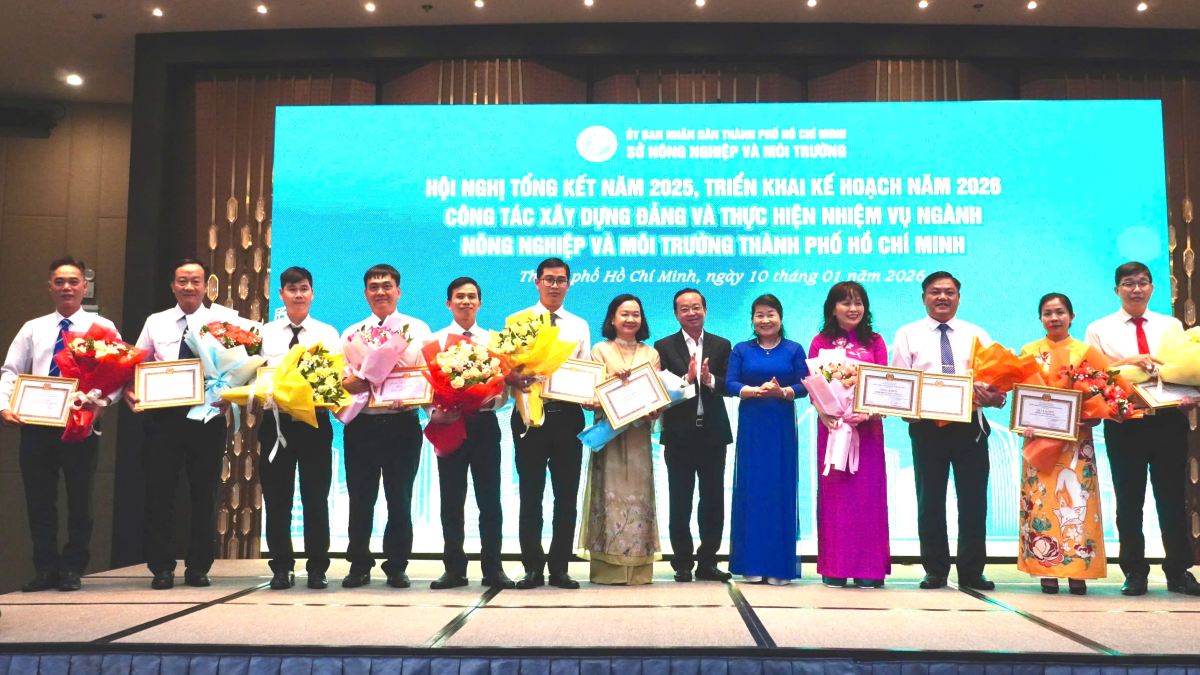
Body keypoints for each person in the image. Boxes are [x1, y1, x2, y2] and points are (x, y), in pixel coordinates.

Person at [0, 257, 118, 592]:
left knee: (80, 501)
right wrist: (4, 406)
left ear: (84, 286)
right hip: (36, 427)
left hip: (80, 425)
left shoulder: (103, 329)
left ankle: (72, 568)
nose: (67, 287)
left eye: (73, 281)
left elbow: (119, 375)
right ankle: (45, 568)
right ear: (50, 287)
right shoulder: (32, 328)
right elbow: (10, 372)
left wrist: (99, 403)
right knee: (40, 501)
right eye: (60, 282)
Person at [1084, 261, 1200, 596]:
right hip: (1125, 423)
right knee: (1129, 500)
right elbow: (1094, 376)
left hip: (1167, 422)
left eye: (1143, 283)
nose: (1136, 289)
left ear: (1152, 288)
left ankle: (1179, 571)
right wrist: (1128, 363)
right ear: (1116, 289)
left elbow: (1182, 370)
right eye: (1129, 283)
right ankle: (1135, 572)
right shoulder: (1099, 328)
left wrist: (1189, 396)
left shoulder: (1171, 325)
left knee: (1172, 499)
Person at [891, 271, 1005, 591]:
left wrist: (993, 395)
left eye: (950, 292)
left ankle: (971, 571)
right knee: (930, 501)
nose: (943, 297)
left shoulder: (977, 334)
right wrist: (904, 410)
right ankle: (935, 569)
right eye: (935, 292)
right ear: (924, 297)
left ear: (959, 297)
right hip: (927, 428)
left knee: (973, 501)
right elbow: (900, 383)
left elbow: (997, 384)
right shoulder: (908, 334)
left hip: (970, 426)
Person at [129, 257, 238, 590]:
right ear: (172, 285)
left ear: (206, 286)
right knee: (160, 493)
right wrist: (132, 391)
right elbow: (136, 362)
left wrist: (230, 394)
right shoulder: (156, 322)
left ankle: (198, 566)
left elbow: (240, 366)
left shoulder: (223, 321)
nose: (189, 286)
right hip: (163, 419)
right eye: (182, 280)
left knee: (204, 494)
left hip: (206, 417)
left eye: (195, 281)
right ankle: (161, 567)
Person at [339, 264, 432, 589]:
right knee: (360, 498)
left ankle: (397, 565)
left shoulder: (417, 328)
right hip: (362, 425)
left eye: (387, 285)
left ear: (398, 291)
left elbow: (428, 374)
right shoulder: (351, 333)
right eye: (374, 286)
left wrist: (412, 397)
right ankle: (358, 564)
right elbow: (343, 377)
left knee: (400, 497)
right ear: (365, 293)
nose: (380, 291)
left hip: (402, 424)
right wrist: (351, 382)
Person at [426, 277, 515, 590]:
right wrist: (434, 413)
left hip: (484, 424)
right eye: (459, 297)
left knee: (490, 500)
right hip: (449, 424)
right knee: (451, 500)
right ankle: (454, 569)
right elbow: (426, 388)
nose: (466, 301)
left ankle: (493, 567)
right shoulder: (435, 342)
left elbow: (505, 390)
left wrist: (494, 399)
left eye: (472, 297)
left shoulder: (494, 342)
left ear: (480, 303)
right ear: (449, 303)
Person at [257, 267, 341, 590]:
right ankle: (281, 566)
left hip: (315, 424)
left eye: (304, 288)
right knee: (277, 499)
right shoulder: (265, 334)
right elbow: (254, 375)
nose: (298, 294)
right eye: (291, 289)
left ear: (312, 293)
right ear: (281, 294)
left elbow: (334, 379)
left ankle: (317, 567)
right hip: (275, 425)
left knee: (315, 498)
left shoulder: (327, 333)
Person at [1017, 292, 1107, 595]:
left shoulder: (1085, 352)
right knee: (1042, 504)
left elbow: (1099, 395)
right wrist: (1023, 420)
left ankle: (1078, 569)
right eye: (1047, 313)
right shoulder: (1029, 351)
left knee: (1075, 503)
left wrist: (1092, 416)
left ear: (1072, 316)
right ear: (1040, 318)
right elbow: (1021, 395)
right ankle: (1047, 570)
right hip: (1039, 441)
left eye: (1059, 312)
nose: (1053, 318)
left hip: (1075, 443)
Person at [510, 258, 591, 590]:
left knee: (566, 496)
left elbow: (586, 369)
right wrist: (515, 377)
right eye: (549, 279)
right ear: (537, 282)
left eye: (561, 280)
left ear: (569, 284)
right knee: (530, 495)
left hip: (568, 415)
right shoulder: (518, 321)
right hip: (529, 415)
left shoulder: (579, 325)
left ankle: (560, 567)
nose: (554, 285)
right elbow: (509, 370)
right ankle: (532, 567)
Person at [808, 281, 890, 588]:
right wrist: (825, 411)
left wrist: (868, 411)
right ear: (832, 308)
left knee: (867, 498)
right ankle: (836, 566)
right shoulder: (820, 341)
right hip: (832, 429)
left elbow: (884, 384)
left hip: (867, 431)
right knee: (836, 498)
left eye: (858, 303)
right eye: (845, 303)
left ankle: (869, 569)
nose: (853, 308)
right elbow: (813, 384)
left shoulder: (875, 342)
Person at [579, 294, 661, 584]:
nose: (630, 319)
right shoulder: (600, 351)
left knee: (639, 497)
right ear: (612, 318)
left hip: (638, 437)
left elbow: (657, 396)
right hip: (610, 435)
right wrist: (613, 379)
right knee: (608, 494)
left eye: (636, 314)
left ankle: (638, 569)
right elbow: (591, 392)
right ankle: (608, 569)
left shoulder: (651, 354)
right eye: (624, 314)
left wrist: (656, 408)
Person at [726, 294, 808, 585]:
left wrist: (782, 392)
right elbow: (730, 383)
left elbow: (805, 385)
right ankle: (751, 563)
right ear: (752, 319)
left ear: (780, 317)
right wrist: (752, 390)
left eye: (770, 314)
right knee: (753, 489)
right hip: (753, 426)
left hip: (781, 426)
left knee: (779, 489)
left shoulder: (794, 349)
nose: (765, 320)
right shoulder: (741, 350)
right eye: (759, 315)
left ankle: (779, 566)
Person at [654, 288, 733, 583]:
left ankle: (708, 560)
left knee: (713, 500)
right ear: (676, 314)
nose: (691, 312)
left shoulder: (722, 345)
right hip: (678, 434)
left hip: (713, 433)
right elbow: (659, 389)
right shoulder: (663, 346)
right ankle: (683, 562)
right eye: (684, 308)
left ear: (705, 310)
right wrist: (686, 380)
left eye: (696, 307)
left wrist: (710, 379)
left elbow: (731, 383)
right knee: (680, 499)